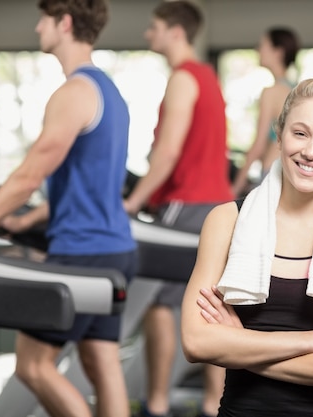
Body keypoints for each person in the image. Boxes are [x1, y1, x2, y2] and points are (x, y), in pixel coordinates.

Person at [0, 1, 137, 416]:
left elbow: (30, 174)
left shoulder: (74, 92)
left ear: (65, 23)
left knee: (33, 366)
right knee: (101, 362)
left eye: (44, 19)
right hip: (116, 248)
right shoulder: (110, 93)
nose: (38, 27)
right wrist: (23, 220)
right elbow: (90, 185)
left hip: (82, 252)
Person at [180, 75, 313, 417]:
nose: (311, 151)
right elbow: (196, 342)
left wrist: (240, 345)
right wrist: (311, 341)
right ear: (279, 134)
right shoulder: (225, 222)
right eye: (300, 133)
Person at [122, 2, 232, 417]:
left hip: (186, 205)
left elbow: (167, 153)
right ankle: (214, 404)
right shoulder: (208, 76)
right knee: (212, 304)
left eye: (154, 27)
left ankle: (157, 404)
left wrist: (133, 202)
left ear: (174, 32)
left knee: (158, 303)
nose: (148, 34)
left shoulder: (183, 78)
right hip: (216, 205)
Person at [231, 27, 300, 197]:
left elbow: (259, 145)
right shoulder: (296, 91)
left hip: (271, 172)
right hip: (289, 175)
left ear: (278, 52)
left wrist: (235, 188)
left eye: (262, 45)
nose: (258, 50)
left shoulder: (272, 92)